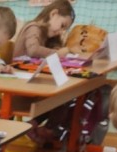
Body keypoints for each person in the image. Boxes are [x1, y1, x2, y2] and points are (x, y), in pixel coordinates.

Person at [12, 0, 76, 144]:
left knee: (65, 94)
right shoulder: (33, 28)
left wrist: (58, 49)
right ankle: (47, 130)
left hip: (34, 80)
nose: (61, 31)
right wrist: (58, 53)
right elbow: (33, 50)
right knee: (62, 96)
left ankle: (35, 125)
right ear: (53, 14)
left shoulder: (47, 34)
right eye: (62, 25)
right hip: (21, 83)